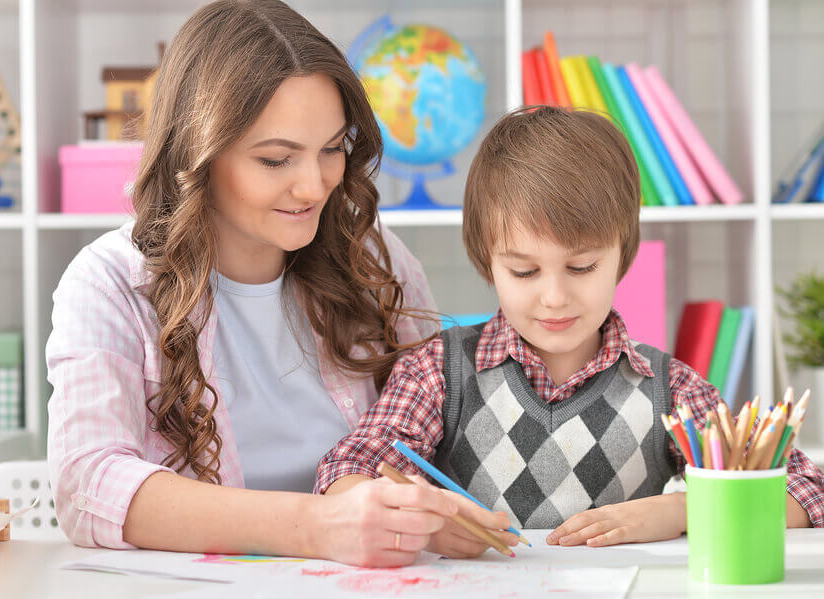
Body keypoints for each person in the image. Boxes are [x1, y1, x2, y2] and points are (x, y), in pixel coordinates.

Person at [46, 0, 501, 568]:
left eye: (332, 149)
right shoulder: (109, 283)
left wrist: (432, 510)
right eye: (275, 160)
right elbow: (87, 484)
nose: (313, 186)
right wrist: (316, 527)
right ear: (199, 154)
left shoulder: (377, 260)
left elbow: (438, 431)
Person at [316, 106, 824, 553]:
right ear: (485, 262)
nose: (555, 297)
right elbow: (344, 474)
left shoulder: (668, 390)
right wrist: (422, 520)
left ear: (621, 256)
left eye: (581, 268)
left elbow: (808, 489)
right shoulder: (438, 373)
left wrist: (683, 512)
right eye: (523, 272)